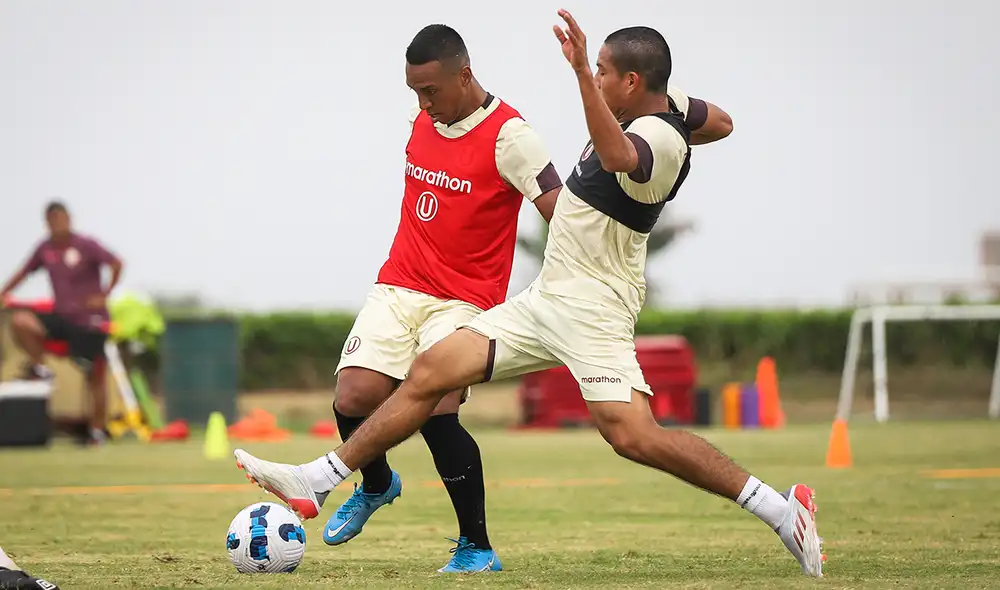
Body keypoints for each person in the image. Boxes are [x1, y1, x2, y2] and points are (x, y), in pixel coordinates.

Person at [235, 12, 827, 578]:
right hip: (547, 298)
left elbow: (622, 157)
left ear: (629, 82)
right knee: (432, 369)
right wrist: (676, 100)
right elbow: (722, 121)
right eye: (593, 70)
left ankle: (781, 511)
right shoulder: (660, 108)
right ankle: (319, 479)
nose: (595, 78)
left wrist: (582, 76)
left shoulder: (660, 138)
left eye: (603, 71)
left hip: (593, 309)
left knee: (634, 437)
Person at [317, 24, 566, 573]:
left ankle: (477, 547)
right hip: (399, 284)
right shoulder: (422, 120)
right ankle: (377, 484)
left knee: (438, 409)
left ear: (465, 75)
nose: (422, 103)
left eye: (430, 90)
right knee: (353, 395)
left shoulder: (512, 136)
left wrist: (583, 273)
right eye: (414, 92)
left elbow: (561, 213)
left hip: (465, 300)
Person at [0, 201, 124, 446]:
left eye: (61, 219)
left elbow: (116, 263)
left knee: (94, 373)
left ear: (69, 219)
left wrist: (105, 293)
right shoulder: (45, 249)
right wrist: (4, 292)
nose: (58, 224)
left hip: (89, 321)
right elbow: (24, 272)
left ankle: (97, 430)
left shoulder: (86, 245)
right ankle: (41, 368)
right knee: (21, 320)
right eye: (52, 220)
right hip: (61, 317)